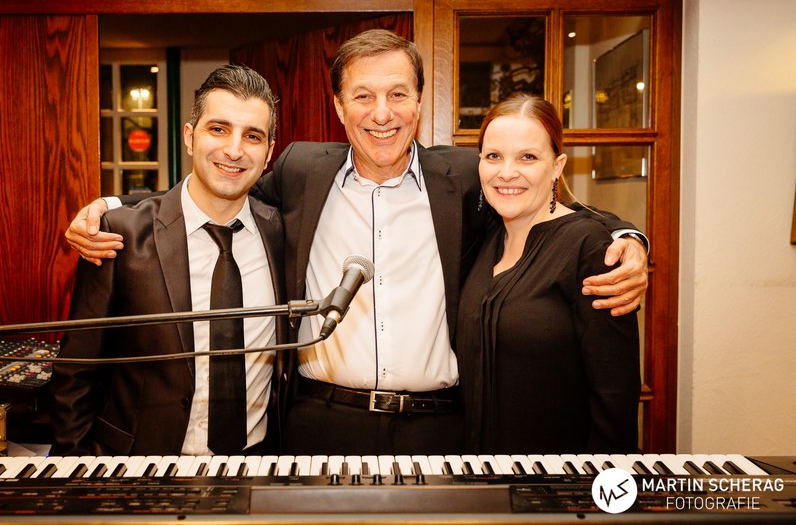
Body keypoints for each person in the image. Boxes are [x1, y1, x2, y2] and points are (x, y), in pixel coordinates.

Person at [65, 29, 648, 456]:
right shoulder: (301, 171)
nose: (382, 113)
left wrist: (626, 235)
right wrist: (116, 206)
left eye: (398, 94)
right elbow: (217, 185)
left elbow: (536, 195)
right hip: (316, 425)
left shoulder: (466, 179)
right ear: (339, 107)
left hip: (439, 430)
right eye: (363, 96)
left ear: (419, 102)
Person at [50, 65, 291, 457]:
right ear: (190, 137)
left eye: (252, 136)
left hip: (257, 462)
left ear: (269, 153)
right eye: (219, 129)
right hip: (139, 466)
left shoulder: (282, 233)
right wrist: (75, 471)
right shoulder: (121, 236)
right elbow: (76, 370)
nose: (234, 150)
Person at [457, 93, 640, 454]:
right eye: (494, 156)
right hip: (477, 472)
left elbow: (615, 395)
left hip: (560, 476)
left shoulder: (589, 249)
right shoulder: (484, 237)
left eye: (528, 157)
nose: (507, 172)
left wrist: (600, 482)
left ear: (557, 166)